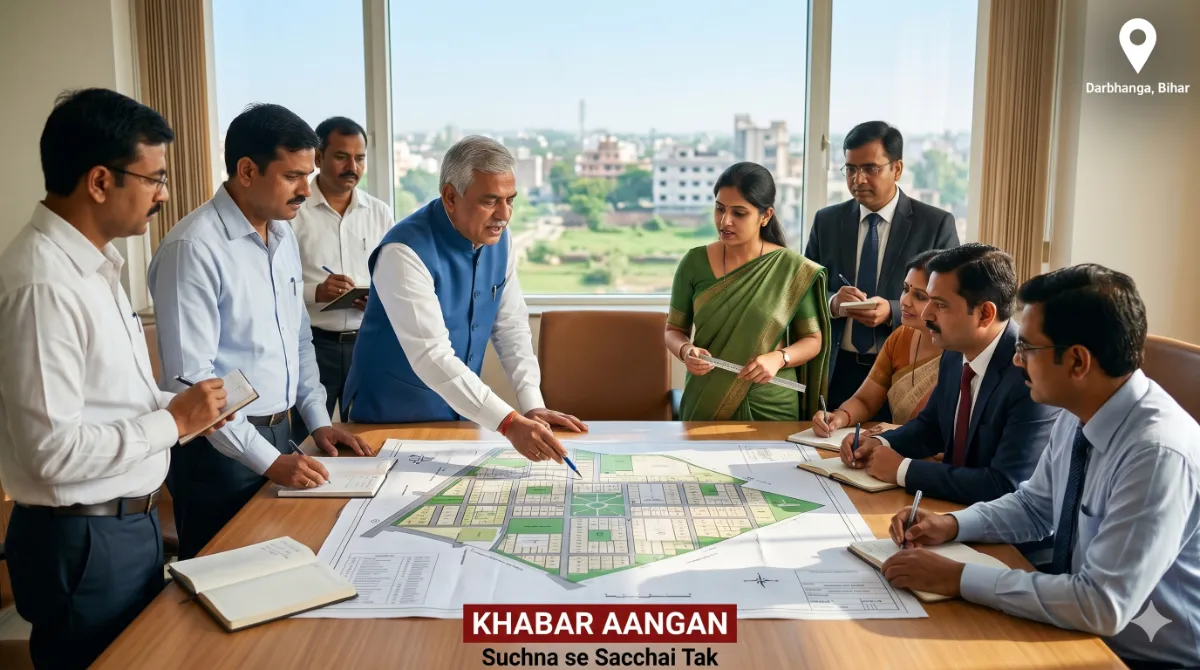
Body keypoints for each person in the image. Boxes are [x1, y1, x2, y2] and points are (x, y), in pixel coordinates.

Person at [0, 88, 233, 669]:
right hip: (82, 538)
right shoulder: (43, 285)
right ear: (101, 182)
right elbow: (50, 453)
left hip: (123, 523)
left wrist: (181, 412)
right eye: (154, 178)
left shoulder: (93, 267)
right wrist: (171, 422)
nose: (164, 194)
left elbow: (108, 398)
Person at [881, 264, 1200, 670]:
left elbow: (1101, 604)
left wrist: (957, 578)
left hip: (1142, 657)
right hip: (1077, 631)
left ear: (1078, 362)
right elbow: (1035, 507)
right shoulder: (1079, 410)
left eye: (1027, 349)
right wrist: (952, 524)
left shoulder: (1156, 454)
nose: (1016, 361)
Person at [149, 103, 369, 560]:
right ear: (247, 171)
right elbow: (192, 380)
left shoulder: (282, 236)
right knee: (224, 580)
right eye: (293, 176)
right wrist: (268, 461)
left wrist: (319, 421)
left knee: (285, 572)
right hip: (218, 452)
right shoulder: (193, 248)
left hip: (283, 432)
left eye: (308, 176)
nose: (305, 190)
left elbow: (298, 339)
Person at [341, 136, 586, 463]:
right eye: (490, 201)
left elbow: (510, 327)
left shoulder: (500, 239)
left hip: (462, 414)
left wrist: (532, 405)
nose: (504, 214)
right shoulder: (403, 252)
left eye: (510, 200)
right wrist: (508, 422)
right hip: (388, 418)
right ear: (450, 197)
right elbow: (431, 355)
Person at [839, 244, 1059, 506]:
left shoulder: (1030, 374)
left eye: (940, 305)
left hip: (998, 527)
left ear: (985, 314)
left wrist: (902, 470)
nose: (926, 314)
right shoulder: (955, 352)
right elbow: (931, 427)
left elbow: (1004, 485)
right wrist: (879, 443)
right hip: (948, 512)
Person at [804, 121, 959, 415]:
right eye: (850, 169)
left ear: (897, 169)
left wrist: (892, 311)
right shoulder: (827, 221)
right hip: (837, 367)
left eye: (870, 168)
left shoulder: (935, 224)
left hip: (905, 370)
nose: (858, 179)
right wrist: (833, 302)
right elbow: (804, 292)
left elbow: (949, 301)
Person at [665, 162, 831, 421]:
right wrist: (686, 351)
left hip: (772, 405)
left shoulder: (791, 270)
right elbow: (673, 330)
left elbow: (813, 340)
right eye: (720, 208)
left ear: (765, 216)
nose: (725, 221)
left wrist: (780, 357)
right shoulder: (694, 263)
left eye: (739, 213)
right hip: (707, 400)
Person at [291, 116, 392, 421]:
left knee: (367, 431)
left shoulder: (379, 212)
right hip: (313, 344)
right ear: (318, 157)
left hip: (367, 342)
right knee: (309, 434)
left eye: (359, 158)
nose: (353, 167)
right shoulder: (292, 212)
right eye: (341, 157)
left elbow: (392, 275)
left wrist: (378, 299)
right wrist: (316, 292)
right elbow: (274, 284)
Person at [812, 248, 944, 434]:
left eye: (919, 296)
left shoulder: (961, 350)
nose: (905, 301)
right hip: (892, 446)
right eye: (905, 289)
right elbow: (865, 401)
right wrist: (839, 418)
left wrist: (896, 435)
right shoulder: (900, 337)